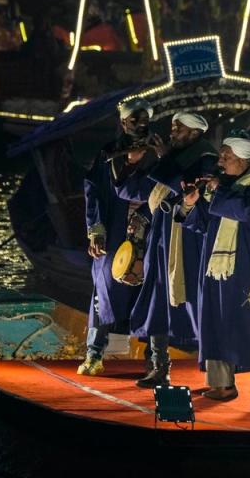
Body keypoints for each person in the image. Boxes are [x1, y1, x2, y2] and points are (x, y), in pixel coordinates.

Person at [115, 111, 218, 388]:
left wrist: (164, 159)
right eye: (172, 128)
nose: (172, 133)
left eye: (178, 129)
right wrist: (131, 162)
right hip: (159, 243)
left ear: (195, 133)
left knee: (196, 305)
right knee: (155, 303)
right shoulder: (173, 158)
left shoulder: (206, 158)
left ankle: (217, 374)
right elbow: (133, 191)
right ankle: (160, 368)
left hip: (188, 243)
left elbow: (189, 190)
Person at [179, 135, 250, 401]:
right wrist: (189, 205)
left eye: (226, 156)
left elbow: (246, 211)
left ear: (245, 159)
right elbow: (201, 223)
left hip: (248, 267)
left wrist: (218, 190)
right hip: (216, 269)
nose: (220, 161)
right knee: (215, 322)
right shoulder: (219, 188)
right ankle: (222, 384)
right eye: (220, 156)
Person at [77, 98, 153, 376]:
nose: (140, 124)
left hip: (151, 233)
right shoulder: (108, 153)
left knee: (151, 293)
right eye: (135, 120)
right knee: (104, 290)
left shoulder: (158, 151)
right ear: (123, 123)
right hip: (114, 232)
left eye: (144, 119)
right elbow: (93, 191)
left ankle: (154, 359)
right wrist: (95, 230)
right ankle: (94, 353)